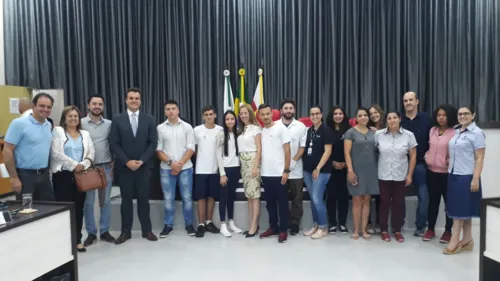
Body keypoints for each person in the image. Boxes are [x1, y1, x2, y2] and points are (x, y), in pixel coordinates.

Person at [110, 87, 158, 244]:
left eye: (137, 98)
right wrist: (127, 161)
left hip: (143, 168)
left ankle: (147, 230)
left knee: (144, 200)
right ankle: (125, 232)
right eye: (131, 98)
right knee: (126, 201)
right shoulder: (117, 119)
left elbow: (153, 144)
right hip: (124, 168)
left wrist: (142, 161)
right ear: (126, 100)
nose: (134, 101)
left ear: (140, 101)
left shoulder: (149, 119)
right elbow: (114, 144)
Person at [51, 105, 95, 252]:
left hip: (81, 175)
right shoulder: (58, 131)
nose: (73, 118)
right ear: (64, 118)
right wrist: (74, 165)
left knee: (78, 209)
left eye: (75, 116)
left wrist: (83, 164)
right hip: (63, 176)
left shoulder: (85, 134)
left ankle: (77, 239)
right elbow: (56, 153)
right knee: (64, 209)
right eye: (70, 116)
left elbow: (91, 153)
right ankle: (64, 241)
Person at [443, 106, 485, 255]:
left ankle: (454, 241)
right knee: (464, 209)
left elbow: (479, 158)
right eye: (460, 114)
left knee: (459, 211)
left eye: (466, 113)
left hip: (466, 176)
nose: (462, 116)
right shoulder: (456, 131)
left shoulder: (477, 133)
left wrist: (475, 178)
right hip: (453, 174)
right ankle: (467, 239)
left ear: (473, 115)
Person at [2, 93, 54, 201]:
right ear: (33, 106)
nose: (45, 109)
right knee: (26, 212)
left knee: (48, 211)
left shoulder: (48, 125)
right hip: (25, 177)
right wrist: (14, 178)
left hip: (44, 176)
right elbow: (7, 150)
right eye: (42, 106)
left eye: (49, 107)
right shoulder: (19, 124)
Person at [375, 111, 417, 243]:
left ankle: (397, 230)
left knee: (398, 204)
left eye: (395, 118)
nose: (392, 120)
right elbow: (374, 152)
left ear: (399, 119)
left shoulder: (409, 135)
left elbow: (413, 156)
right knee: (384, 203)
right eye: (389, 118)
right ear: (386, 120)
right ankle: (383, 230)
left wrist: (409, 174)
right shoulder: (378, 135)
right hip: (383, 175)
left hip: (400, 175)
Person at [156, 99, 196, 238]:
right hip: (166, 169)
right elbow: (158, 150)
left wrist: (179, 165)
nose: (171, 111)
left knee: (187, 197)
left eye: (173, 108)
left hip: (186, 168)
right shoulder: (160, 128)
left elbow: (191, 148)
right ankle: (168, 225)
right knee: (168, 198)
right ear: (165, 112)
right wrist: (171, 163)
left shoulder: (187, 127)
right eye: (168, 109)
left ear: (178, 110)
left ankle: (189, 224)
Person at [81, 94, 116, 246]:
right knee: (89, 203)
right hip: (87, 169)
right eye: (94, 103)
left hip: (105, 167)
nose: (97, 106)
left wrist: (113, 160)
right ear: (88, 105)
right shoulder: (80, 123)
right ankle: (90, 233)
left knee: (106, 201)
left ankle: (105, 231)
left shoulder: (109, 124)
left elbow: (114, 143)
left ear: (103, 107)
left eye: (100, 104)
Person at [422, 104, 458, 243]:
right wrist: (427, 157)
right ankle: (430, 229)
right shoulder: (432, 130)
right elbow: (428, 147)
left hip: (447, 173)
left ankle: (448, 230)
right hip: (431, 172)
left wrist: (448, 161)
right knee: (433, 202)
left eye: (444, 115)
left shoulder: (454, 132)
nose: (441, 118)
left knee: (449, 203)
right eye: (439, 115)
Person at [344, 107, 379, 240]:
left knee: (367, 199)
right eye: (360, 115)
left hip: (371, 170)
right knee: (357, 199)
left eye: (365, 115)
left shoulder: (373, 133)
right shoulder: (350, 133)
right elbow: (347, 153)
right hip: (356, 170)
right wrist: (350, 170)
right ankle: (356, 230)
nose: (363, 117)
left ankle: (364, 230)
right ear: (356, 118)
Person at [257, 104, 291, 243]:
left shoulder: (281, 128)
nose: (265, 117)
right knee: (270, 204)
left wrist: (286, 171)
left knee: (282, 203)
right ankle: (273, 227)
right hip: (266, 174)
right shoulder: (261, 131)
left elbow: (287, 150)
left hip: (280, 174)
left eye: (267, 114)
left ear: (272, 113)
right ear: (259, 116)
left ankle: (283, 230)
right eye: (262, 114)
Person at [401, 91, 431, 236]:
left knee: (423, 196)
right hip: (401, 164)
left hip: (420, 165)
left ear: (417, 101)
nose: (408, 103)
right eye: (405, 101)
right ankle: (398, 226)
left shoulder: (426, 118)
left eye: (411, 100)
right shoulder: (399, 120)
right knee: (397, 196)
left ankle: (421, 226)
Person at [275, 99, 306, 236]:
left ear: (294, 110)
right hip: (277, 170)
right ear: (281, 111)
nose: (288, 110)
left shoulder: (301, 126)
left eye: (291, 108)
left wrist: (293, 161)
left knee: (297, 198)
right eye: (286, 108)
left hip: (296, 169)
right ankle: (283, 222)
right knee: (280, 197)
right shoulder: (274, 126)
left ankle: (295, 223)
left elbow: (302, 147)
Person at [302, 105, 333, 239]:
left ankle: (323, 227)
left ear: (321, 114)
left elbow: (328, 151)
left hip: (322, 171)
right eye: (312, 114)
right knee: (313, 199)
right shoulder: (309, 130)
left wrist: (318, 168)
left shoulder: (326, 130)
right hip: (308, 170)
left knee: (317, 198)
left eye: (317, 114)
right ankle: (315, 225)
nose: (315, 116)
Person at [193, 105, 223, 237]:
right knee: (201, 197)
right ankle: (200, 224)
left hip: (214, 170)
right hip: (200, 169)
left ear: (215, 115)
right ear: (203, 116)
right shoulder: (197, 130)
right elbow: (193, 149)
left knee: (211, 196)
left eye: (211, 114)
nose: (209, 116)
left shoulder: (220, 130)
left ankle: (209, 221)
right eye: (206, 114)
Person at [216, 110, 244, 237]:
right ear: (224, 121)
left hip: (236, 169)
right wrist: (222, 173)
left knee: (231, 197)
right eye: (227, 119)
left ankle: (231, 222)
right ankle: (223, 224)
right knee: (224, 197)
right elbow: (218, 155)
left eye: (232, 119)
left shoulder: (239, 133)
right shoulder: (221, 134)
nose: (230, 121)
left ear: (235, 120)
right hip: (225, 170)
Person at [237, 104, 262, 237]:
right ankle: (251, 224)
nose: (243, 115)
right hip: (243, 163)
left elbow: (259, 149)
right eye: (241, 113)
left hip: (252, 162)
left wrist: (255, 167)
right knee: (249, 196)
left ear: (250, 113)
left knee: (255, 195)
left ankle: (254, 225)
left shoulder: (256, 129)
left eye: (245, 113)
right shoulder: (240, 129)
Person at [325, 106, 350, 235]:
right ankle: (333, 223)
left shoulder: (350, 130)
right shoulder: (327, 130)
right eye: (335, 113)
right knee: (331, 196)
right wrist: (332, 163)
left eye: (340, 113)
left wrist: (346, 164)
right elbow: (323, 151)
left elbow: (353, 150)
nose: (338, 116)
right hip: (330, 169)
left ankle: (342, 223)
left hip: (346, 169)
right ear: (332, 115)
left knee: (343, 197)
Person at [366, 104, 385, 233]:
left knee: (380, 195)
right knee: (367, 194)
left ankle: (379, 221)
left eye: (375, 112)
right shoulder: (366, 128)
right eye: (371, 114)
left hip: (383, 163)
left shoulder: (388, 126)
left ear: (380, 112)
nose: (373, 115)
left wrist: (378, 133)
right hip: (369, 163)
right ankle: (367, 222)